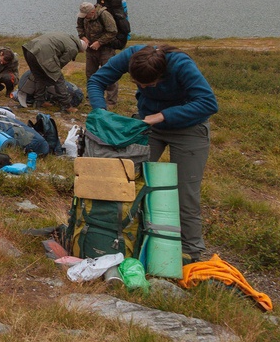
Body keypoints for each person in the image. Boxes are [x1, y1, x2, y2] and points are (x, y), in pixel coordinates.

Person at [88, 44, 218, 263]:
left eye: (147, 85)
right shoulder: (131, 57)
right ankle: (120, 236)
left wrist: (161, 116)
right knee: (128, 178)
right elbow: (96, 80)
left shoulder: (181, 65)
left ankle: (190, 251)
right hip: (148, 125)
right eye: (137, 83)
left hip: (189, 129)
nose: (142, 87)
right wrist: (100, 111)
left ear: (161, 75)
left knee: (185, 192)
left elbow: (208, 103)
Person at [19, 32, 85, 110]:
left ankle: (39, 102)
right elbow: (61, 63)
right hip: (42, 54)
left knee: (40, 78)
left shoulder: (66, 36)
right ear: (80, 49)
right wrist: (52, 73)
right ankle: (66, 106)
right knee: (58, 79)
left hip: (29, 50)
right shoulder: (73, 48)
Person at [77, 2, 119, 109]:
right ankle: (92, 98)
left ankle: (111, 101)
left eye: (86, 15)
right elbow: (79, 28)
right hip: (91, 49)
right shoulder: (82, 17)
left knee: (109, 74)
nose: (84, 17)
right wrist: (83, 37)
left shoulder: (104, 15)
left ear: (92, 12)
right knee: (90, 74)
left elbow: (112, 31)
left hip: (106, 49)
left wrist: (99, 42)